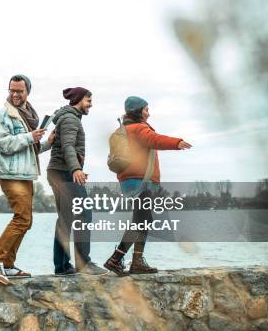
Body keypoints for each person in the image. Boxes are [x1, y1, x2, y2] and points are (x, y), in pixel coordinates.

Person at [103, 96, 192, 276]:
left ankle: (136, 261)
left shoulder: (122, 130)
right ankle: (116, 259)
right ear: (137, 110)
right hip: (141, 180)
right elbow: (154, 139)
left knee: (143, 219)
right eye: (146, 109)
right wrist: (176, 142)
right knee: (141, 220)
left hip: (128, 180)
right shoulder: (139, 128)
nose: (148, 113)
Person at [0, 75, 55, 285]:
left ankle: (8, 264)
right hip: (10, 175)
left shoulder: (28, 115)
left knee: (26, 221)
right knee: (21, 218)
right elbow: (4, 145)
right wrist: (30, 137)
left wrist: (47, 142)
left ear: (27, 92)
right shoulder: (2, 115)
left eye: (19, 91)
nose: (15, 94)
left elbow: (29, 150)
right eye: (12, 90)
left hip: (25, 174)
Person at [47, 87, 108, 276]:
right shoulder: (70, 119)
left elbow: (68, 146)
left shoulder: (68, 118)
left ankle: (62, 266)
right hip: (63, 172)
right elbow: (67, 146)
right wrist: (75, 169)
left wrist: (77, 168)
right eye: (88, 100)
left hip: (59, 172)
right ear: (79, 100)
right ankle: (83, 263)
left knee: (66, 220)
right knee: (84, 215)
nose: (91, 104)